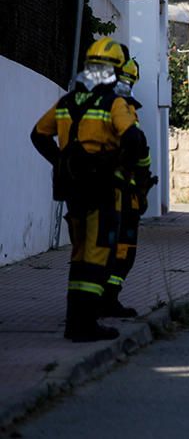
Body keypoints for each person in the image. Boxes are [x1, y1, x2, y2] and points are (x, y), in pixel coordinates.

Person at [31, 37, 144, 342]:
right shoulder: (114, 104)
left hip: (73, 189)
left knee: (79, 255)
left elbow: (39, 134)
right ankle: (85, 326)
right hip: (103, 189)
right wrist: (119, 167)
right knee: (97, 255)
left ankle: (75, 323)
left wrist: (61, 161)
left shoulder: (67, 102)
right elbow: (134, 140)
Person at [102, 58, 156, 318]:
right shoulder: (123, 111)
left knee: (97, 249)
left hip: (95, 192)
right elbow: (139, 148)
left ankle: (94, 301)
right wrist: (141, 185)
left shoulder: (90, 104)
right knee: (123, 249)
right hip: (123, 195)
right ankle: (107, 300)